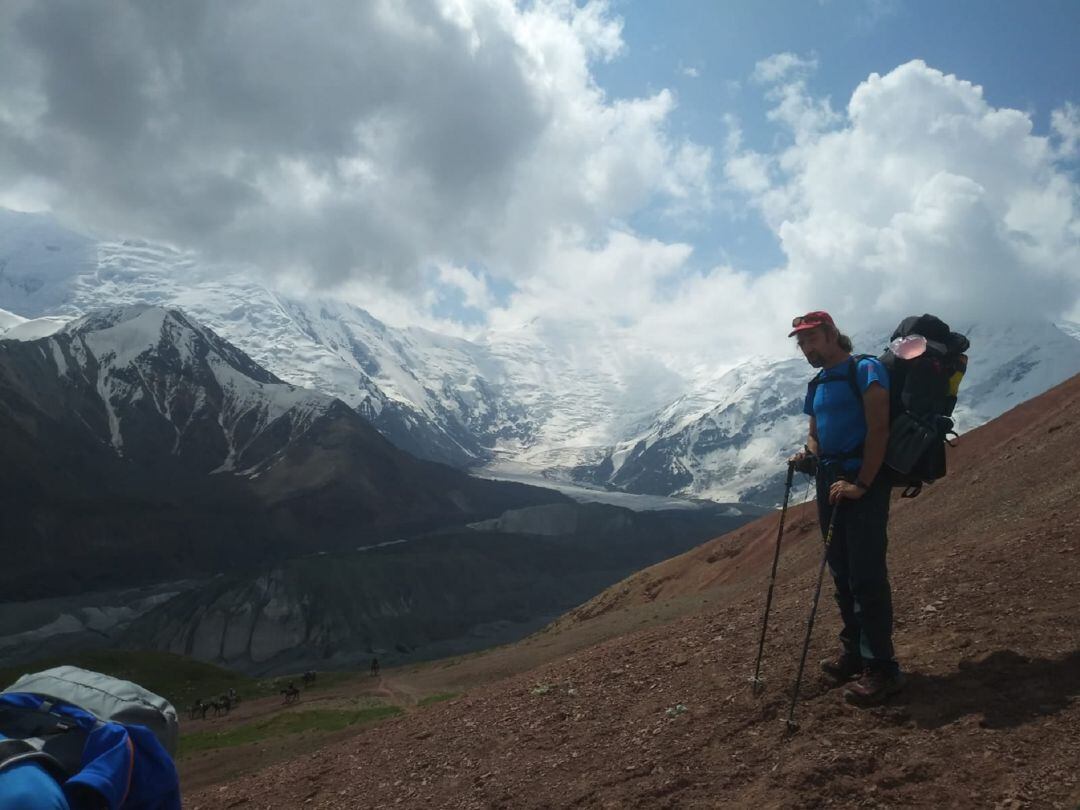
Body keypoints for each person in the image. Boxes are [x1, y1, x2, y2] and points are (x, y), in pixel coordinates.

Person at [788, 310, 906, 705]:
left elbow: (879, 430)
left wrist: (862, 484)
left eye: (812, 339)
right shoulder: (819, 382)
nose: (806, 347)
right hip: (830, 482)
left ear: (832, 334)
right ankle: (855, 653)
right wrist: (807, 454)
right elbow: (815, 435)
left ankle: (883, 668)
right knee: (841, 570)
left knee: (867, 575)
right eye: (801, 342)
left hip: (860, 484)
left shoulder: (866, 370)